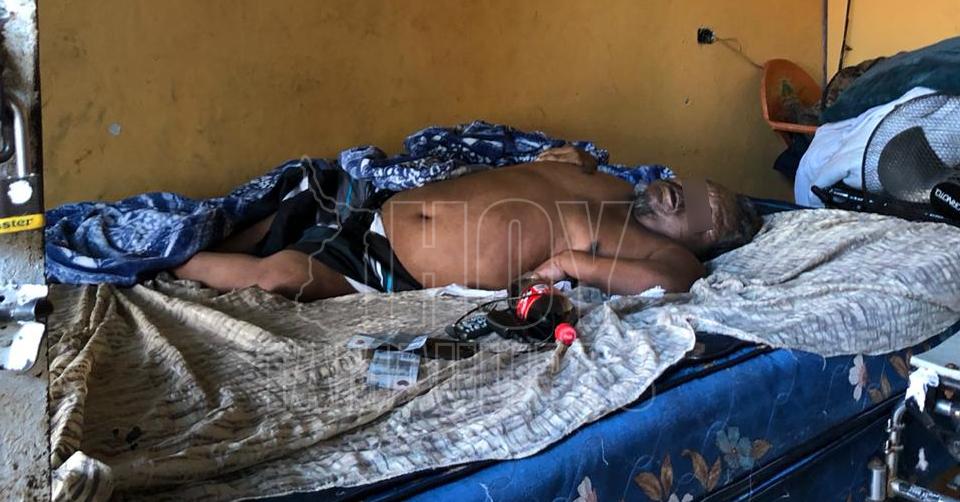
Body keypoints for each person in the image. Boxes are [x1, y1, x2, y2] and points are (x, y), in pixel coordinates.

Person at [172, 146, 762, 300]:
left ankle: (163, 267)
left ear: (706, 241)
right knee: (277, 211)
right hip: (379, 206)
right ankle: (179, 247)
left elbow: (672, 284)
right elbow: (554, 165)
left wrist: (570, 263)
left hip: (389, 266)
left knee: (277, 277)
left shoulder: (671, 258)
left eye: (696, 208)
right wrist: (571, 156)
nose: (678, 192)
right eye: (689, 185)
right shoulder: (613, 185)